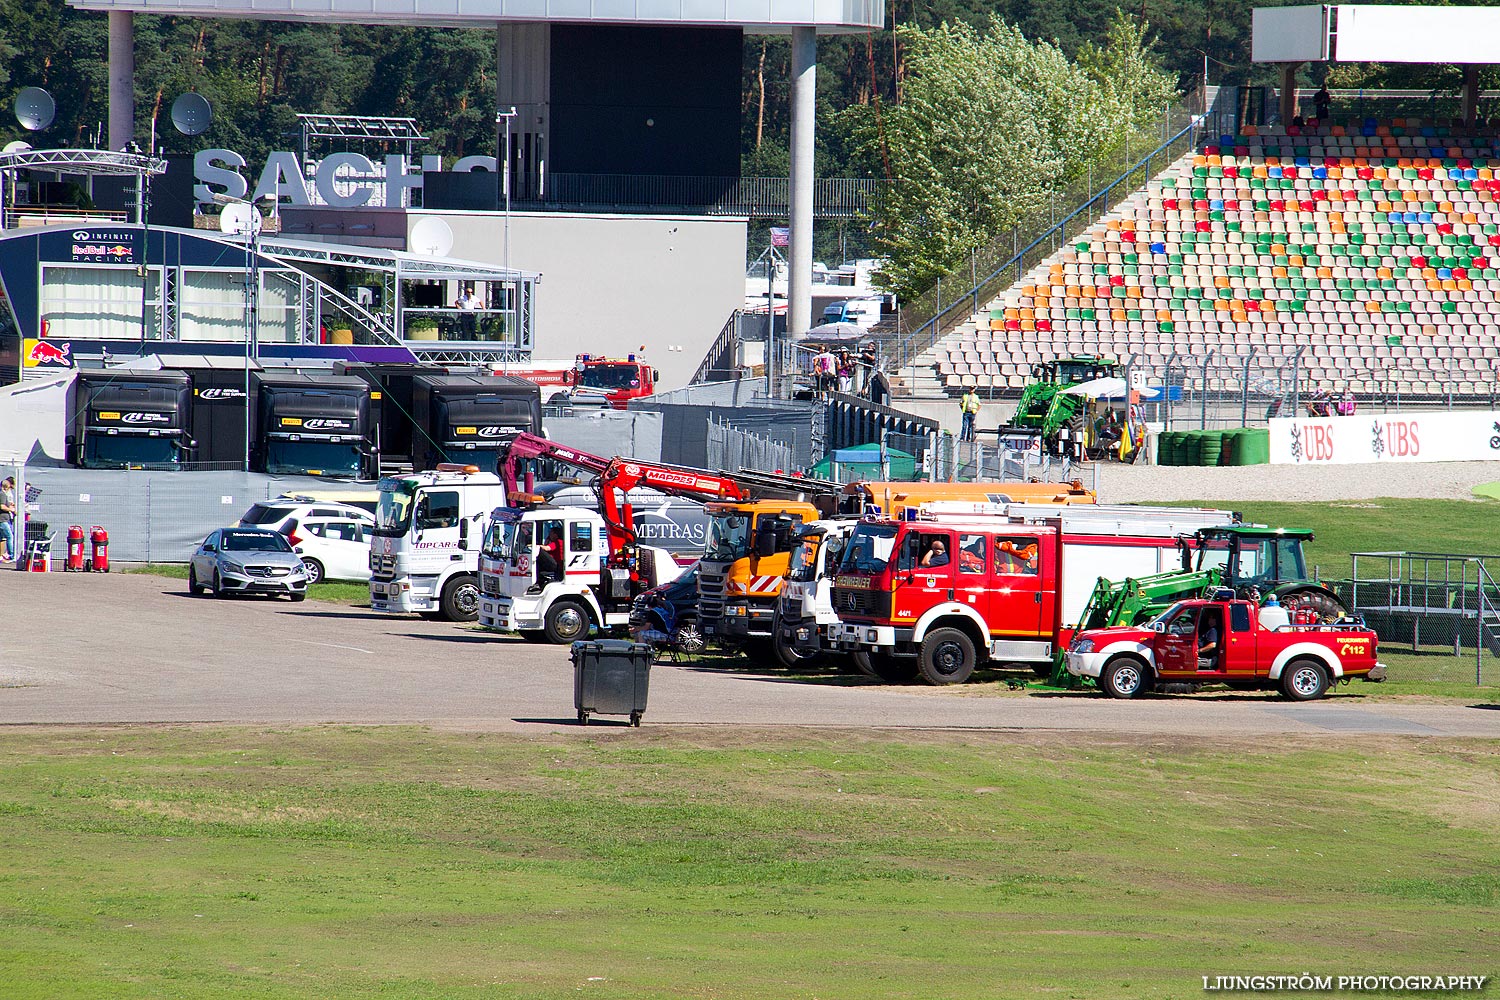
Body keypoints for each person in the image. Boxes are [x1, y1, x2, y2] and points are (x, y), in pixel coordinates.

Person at [0, 476, 15, 564]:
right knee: (9, 536)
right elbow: (2, 506)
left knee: (2, 538)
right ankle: (11, 555)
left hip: (4, 519)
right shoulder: (2, 494)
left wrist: (10, 504)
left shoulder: (3, 494)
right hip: (3, 519)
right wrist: (11, 509)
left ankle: (2, 555)